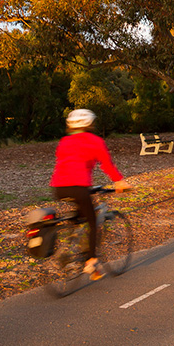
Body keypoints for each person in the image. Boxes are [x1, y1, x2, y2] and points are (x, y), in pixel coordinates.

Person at [50, 109, 129, 280]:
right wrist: (119, 181)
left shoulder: (64, 141)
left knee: (81, 215)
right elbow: (106, 164)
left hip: (58, 188)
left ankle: (71, 239)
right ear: (90, 124)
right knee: (93, 221)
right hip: (79, 187)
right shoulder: (95, 141)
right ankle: (91, 261)